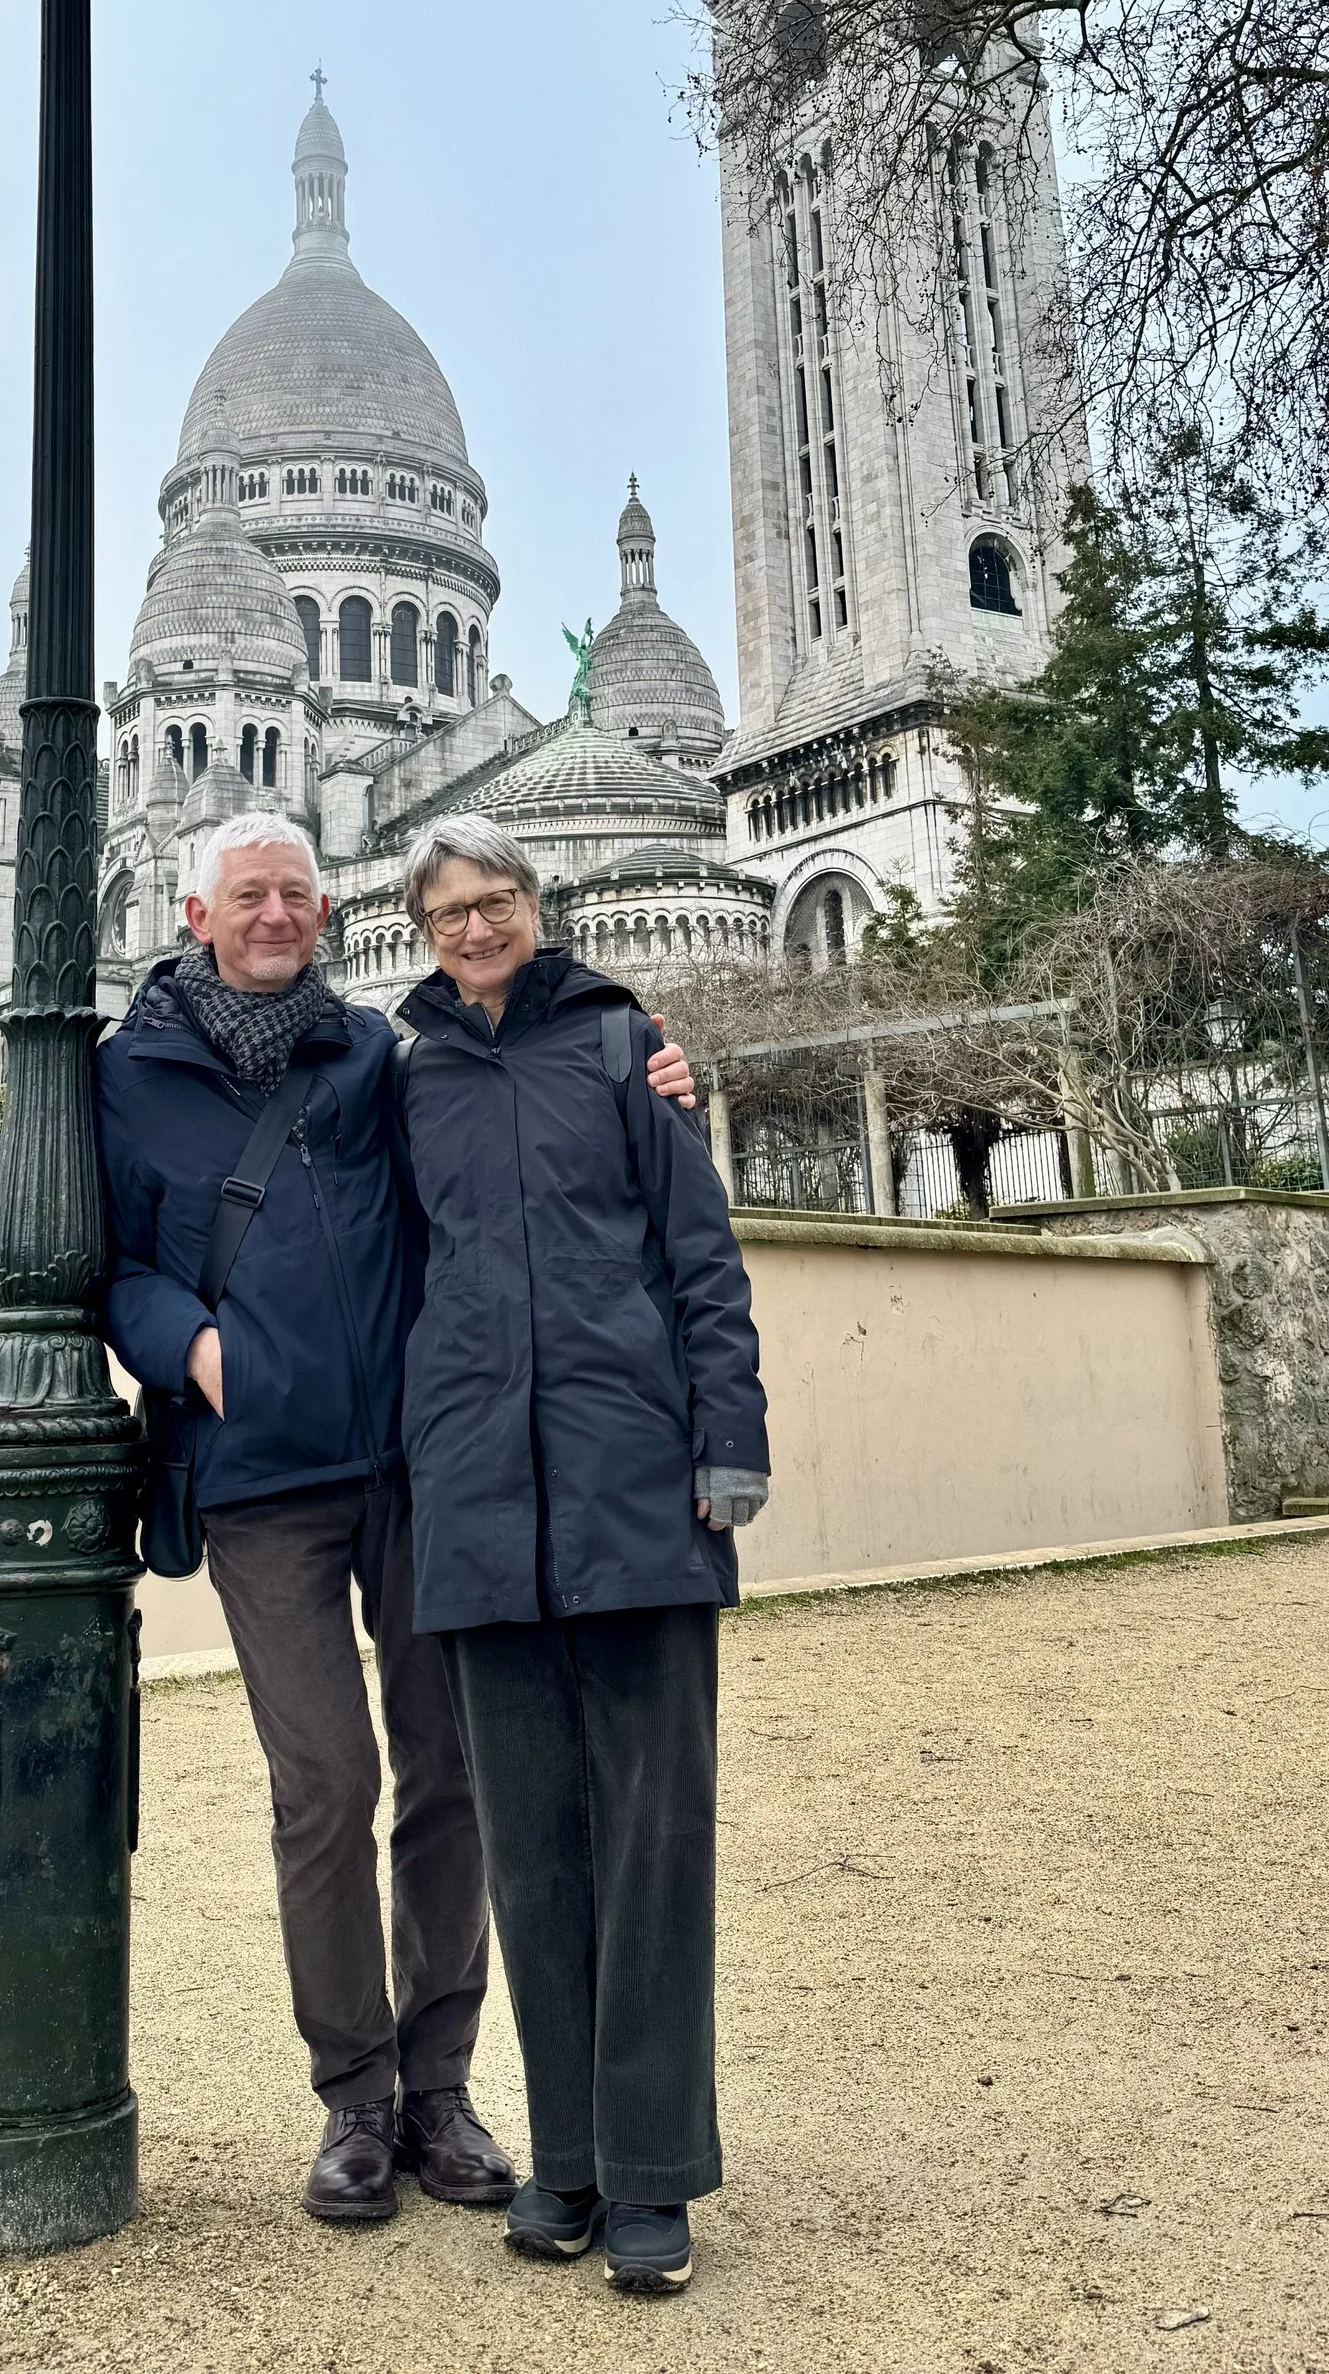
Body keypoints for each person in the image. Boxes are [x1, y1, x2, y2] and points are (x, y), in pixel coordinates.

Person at [98, 809, 697, 2228]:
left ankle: (443, 2087)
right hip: (259, 1482)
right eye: (249, 895)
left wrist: (651, 1073)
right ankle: (355, 2098)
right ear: (196, 914)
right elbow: (102, 1262)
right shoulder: (123, 1078)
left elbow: (497, 1135)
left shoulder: (372, 1050)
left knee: (455, 1775)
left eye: (297, 894)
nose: (276, 916)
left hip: (421, 1470)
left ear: (327, 911)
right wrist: (187, 1342)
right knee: (326, 1788)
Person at [392, 811, 770, 2300]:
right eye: (449, 914)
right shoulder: (410, 1079)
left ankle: (657, 2174)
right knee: (533, 1855)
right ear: (420, 933)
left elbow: (703, 1258)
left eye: (496, 903)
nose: (476, 930)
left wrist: (726, 1438)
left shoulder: (626, 1048)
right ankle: (567, 2159)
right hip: (481, 1507)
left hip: (637, 1497)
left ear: (536, 906)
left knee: (654, 1848)